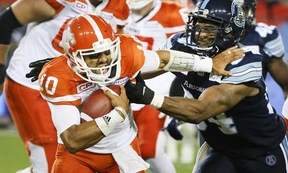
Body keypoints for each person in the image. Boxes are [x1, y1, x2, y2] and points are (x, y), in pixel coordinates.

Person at [37, 13, 244, 172]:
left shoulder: (126, 52)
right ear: (74, 58)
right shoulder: (59, 77)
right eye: (93, 56)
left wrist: (207, 64)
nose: (103, 60)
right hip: (78, 157)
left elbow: (163, 59)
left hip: (122, 148)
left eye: (106, 53)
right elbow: (72, 140)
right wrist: (116, 115)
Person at [110, 0, 288, 173]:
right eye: (197, 25)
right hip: (222, 150)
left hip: (263, 149)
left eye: (209, 28)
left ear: (229, 31)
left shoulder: (244, 62)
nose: (200, 34)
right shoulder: (180, 44)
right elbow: (145, 66)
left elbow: (200, 110)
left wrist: (148, 96)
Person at [0, 0, 130, 172]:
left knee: (74, 162)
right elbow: (6, 22)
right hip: (32, 84)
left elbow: (117, 51)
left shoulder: (119, 6)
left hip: (74, 91)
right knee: (50, 162)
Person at [122, 0, 187, 172]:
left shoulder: (173, 13)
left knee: (148, 149)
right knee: (117, 151)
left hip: (156, 88)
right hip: (121, 87)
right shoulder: (114, 13)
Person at [219, 0, 288, 123]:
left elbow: (286, 82)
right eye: (232, 10)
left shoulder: (263, 37)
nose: (237, 16)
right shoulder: (211, 35)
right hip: (216, 111)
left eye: (242, 9)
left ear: (250, 11)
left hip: (253, 112)